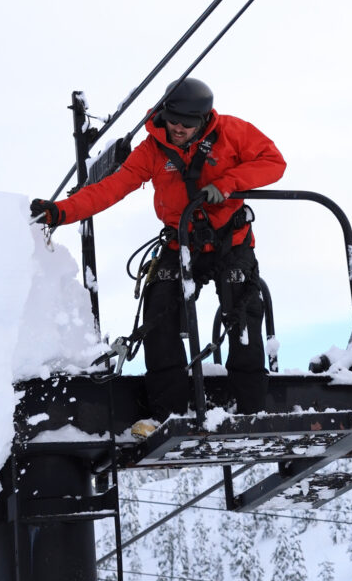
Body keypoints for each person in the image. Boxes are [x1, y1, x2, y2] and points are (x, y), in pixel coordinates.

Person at [30, 78, 286, 437]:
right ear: (164, 114)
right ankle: (170, 413)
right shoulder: (152, 151)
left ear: (203, 120)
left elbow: (274, 162)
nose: (178, 129)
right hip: (180, 243)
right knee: (159, 311)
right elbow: (110, 189)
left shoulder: (232, 132)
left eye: (187, 124)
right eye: (173, 120)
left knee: (242, 315)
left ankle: (250, 410)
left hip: (231, 243)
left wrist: (228, 183)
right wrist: (61, 212)